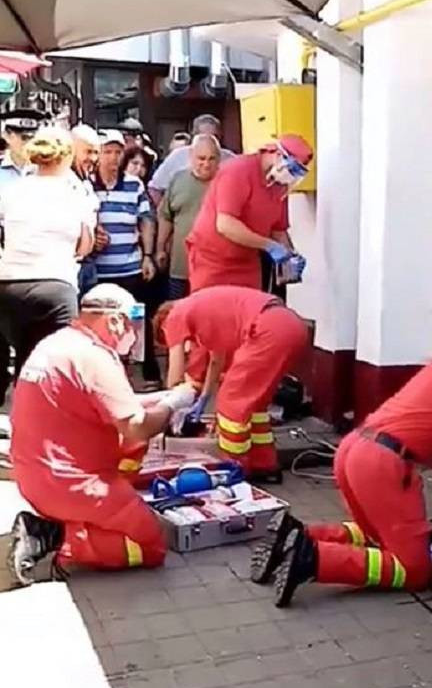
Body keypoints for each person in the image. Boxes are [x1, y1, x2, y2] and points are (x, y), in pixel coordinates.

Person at [249, 321, 432, 608]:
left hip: (354, 448)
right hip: (385, 463)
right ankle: (314, 559)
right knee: (414, 569)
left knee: (379, 536)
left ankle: (296, 534)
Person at [5, 284, 197, 586]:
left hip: (35, 475)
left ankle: (75, 520)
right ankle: (54, 536)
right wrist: (171, 407)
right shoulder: (94, 358)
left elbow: (110, 402)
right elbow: (137, 426)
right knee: (150, 544)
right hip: (72, 484)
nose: (133, 334)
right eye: (132, 323)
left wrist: (168, 396)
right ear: (115, 320)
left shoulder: (60, 344)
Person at [154, 285, 309, 483]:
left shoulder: (174, 316)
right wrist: (204, 397)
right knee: (255, 405)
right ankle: (264, 465)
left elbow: (174, 376)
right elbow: (216, 360)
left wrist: (171, 407)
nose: (187, 345)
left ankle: (233, 468)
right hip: (290, 325)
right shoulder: (203, 310)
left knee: (231, 404)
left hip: (266, 330)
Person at [0, 127, 94, 384]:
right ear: (67, 156)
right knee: (56, 366)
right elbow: (85, 246)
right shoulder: (76, 193)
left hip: (9, 286)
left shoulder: (12, 190)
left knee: (25, 360)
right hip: (55, 285)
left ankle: (21, 405)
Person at [185, 134, 313, 299]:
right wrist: (269, 246)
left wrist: (290, 256)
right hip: (212, 259)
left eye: (298, 172)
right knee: (213, 307)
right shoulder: (238, 171)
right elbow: (225, 225)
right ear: (278, 155)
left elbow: (278, 229)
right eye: (292, 169)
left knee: (249, 307)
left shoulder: (279, 185)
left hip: (247, 260)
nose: (291, 176)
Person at [93, 129, 161, 390]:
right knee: (100, 325)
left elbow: (146, 220)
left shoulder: (134, 184)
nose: (113, 157)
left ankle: (147, 374)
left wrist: (148, 255)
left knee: (138, 320)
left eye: (117, 152)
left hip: (130, 267)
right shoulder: (86, 185)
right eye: (107, 151)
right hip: (98, 270)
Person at [0, 108, 47, 406]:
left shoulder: (50, 174)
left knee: (34, 349)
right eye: (22, 136)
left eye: (32, 136)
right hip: (4, 270)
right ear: (8, 136)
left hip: (38, 270)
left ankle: (27, 409)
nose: (28, 142)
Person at [156, 134, 221, 300]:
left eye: (212, 159)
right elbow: (165, 217)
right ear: (191, 156)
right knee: (176, 310)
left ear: (219, 159)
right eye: (201, 158)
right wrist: (160, 248)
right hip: (181, 268)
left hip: (215, 270)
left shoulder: (226, 182)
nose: (206, 164)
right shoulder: (178, 179)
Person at [148, 114, 235, 206]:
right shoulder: (177, 156)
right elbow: (154, 188)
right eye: (203, 137)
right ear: (194, 137)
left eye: (214, 137)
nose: (208, 141)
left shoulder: (230, 159)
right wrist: (166, 211)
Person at [70, 123, 102, 295]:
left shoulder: (87, 183)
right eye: (88, 151)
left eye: (96, 152)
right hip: (68, 266)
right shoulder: (61, 182)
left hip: (88, 265)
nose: (93, 158)